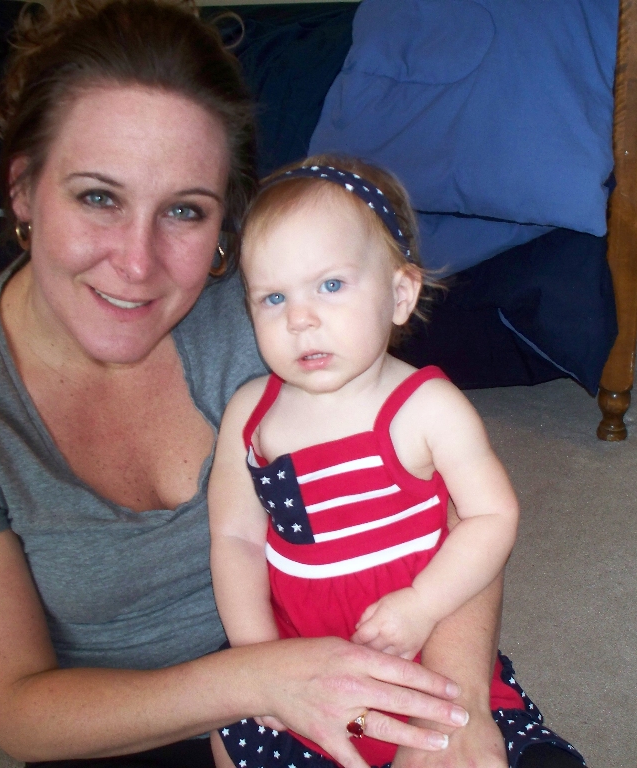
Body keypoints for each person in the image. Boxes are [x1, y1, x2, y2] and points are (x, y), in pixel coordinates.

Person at [0, 2, 533, 767]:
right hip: (136, 724)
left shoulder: (280, 315)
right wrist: (265, 680)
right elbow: (17, 708)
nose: (136, 263)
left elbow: (452, 506)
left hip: (381, 660)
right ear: (23, 187)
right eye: (98, 197)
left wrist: (451, 707)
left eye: (184, 210)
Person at [208, 158, 585, 768]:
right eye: (273, 297)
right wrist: (259, 657)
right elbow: (235, 539)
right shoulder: (250, 416)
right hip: (306, 673)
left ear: (400, 295)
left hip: (425, 661)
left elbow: (492, 516)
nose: (300, 318)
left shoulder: (428, 408)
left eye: (331, 285)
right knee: (231, 744)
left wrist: (423, 604)